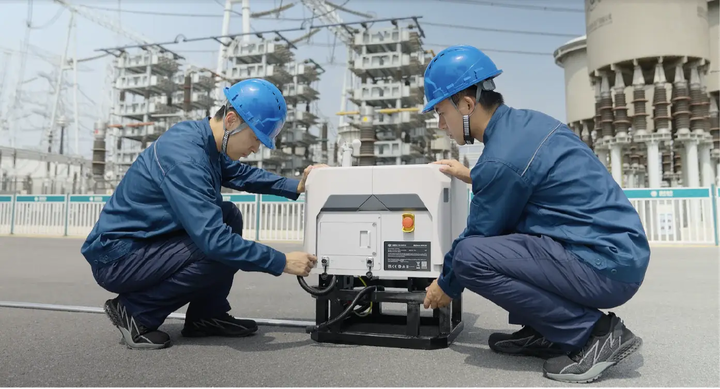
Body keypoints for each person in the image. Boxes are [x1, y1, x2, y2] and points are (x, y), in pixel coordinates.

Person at [420, 45, 649, 383]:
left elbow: (479, 234)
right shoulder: (522, 125)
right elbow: (524, 177)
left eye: (440, 112)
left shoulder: (501, 158)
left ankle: (596, 334)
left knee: (469, 258)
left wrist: (445, 285)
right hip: (614, 250)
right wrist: (472, 175)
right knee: (507, 241)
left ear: (467, 105)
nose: (440, 124)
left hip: (604, 263)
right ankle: (549, 329)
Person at [81, 78, 325, 350]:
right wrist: (281, 261)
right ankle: (136, 312)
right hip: (118, 256)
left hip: (142, 245)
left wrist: (297, 186)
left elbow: (242, 174)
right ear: (232, 120)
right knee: (218, 246)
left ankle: (206, 316)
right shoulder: (186, 157)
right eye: (256, 137)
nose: (257, 147)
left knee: (229, 215)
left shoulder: (205, 141)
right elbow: (215, 242)